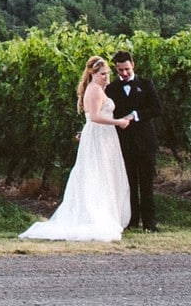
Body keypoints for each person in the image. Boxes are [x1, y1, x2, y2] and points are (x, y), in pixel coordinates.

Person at [18, 55, 132, 242]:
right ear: (92, 74)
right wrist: (118, 122)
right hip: (99, 136)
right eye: (103, 74)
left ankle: (108, 214)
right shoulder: (94, 90)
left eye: (107, 74)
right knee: (96, 173)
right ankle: (94, 216)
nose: (106, 77)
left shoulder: (99, 89)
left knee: (106, 174)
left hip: (105, 136)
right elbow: (94, 117)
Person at [110, 50, 161, 232]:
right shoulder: (112, 88)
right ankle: (132, 220)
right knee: (128, 183)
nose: (124, 74)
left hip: (146, 142)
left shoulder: (146, 84)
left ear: (133, 65)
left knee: (146, 184)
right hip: (124, 143)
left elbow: (156, 109)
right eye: (120, 70)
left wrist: (136, 115)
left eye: (126, 69)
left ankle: (150, 223)